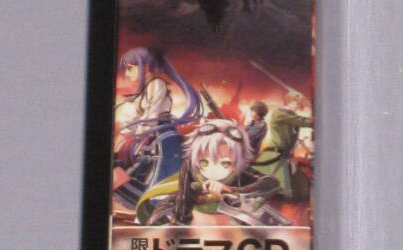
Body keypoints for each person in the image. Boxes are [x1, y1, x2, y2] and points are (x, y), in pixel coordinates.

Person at [135, 118, 277, 225]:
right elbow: (183, 202)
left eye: (225, 163)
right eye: (204, 162)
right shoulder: (190, 166)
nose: (212, 170)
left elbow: (271, 182)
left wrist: (231, 190)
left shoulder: (239, 170)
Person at [113, 47, 201, 205]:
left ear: (144, 66)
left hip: (163, 137)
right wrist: (128, 135)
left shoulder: (156, 83)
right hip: (153, 136)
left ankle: (158, 203)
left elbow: (151, 115)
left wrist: (141, 136)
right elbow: (138, 118)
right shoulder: (146, 87)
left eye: (130, 68)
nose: (127, 73)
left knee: (163, 174)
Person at [250, 90, 313, 201]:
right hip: (274, 156)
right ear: (290, 102)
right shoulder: (279, 114)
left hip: (285, 156)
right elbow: (301, 121)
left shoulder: (291, 115)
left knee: (298, 189)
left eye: (300, 105)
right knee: (268, 190)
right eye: (297, 104)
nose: (298, 107)